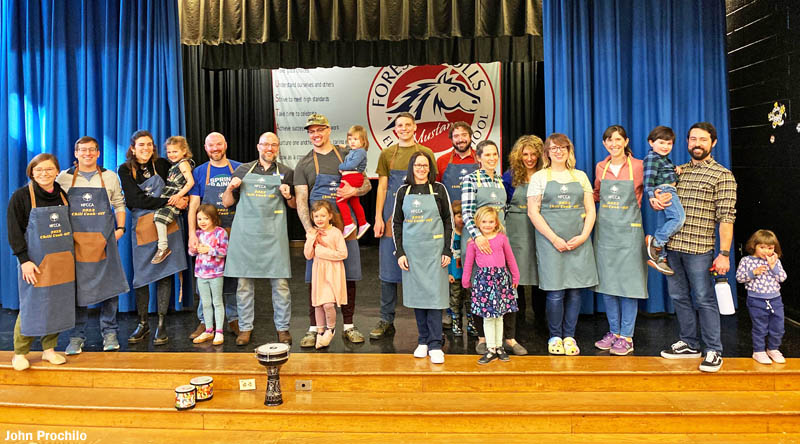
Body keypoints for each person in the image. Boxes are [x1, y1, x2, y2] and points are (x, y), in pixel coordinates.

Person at [659, 122, 737, 373]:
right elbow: (665, 202)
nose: (697, 144)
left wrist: (724, 254)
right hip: (673, 247)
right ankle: (690, 343)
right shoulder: (677, 172)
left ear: (713, 143)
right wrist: (658, 201)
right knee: (679, 297)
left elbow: (726, 218)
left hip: (700, 250)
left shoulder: (722, 176)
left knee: (704, 299)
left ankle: (714, 349)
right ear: (687, 142)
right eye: (693, 139)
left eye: (703, 140)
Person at [295, 113, 372, 347]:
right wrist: (309, 230)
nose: (316, 134)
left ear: (329, 130)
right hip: (319, 231)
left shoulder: (347, 155)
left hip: (346, 228)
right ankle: (314, 328)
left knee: (349, 277)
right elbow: (301, 200)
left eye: (320, 129)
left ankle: (348, 325)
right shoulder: (304, 164)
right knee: (315, 279)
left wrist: (354, 192)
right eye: (312, 131)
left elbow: (366, 184)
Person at [527, 133, 598, 356]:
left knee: (575, 292)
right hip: (551, 243)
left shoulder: (581, 176)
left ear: (569, 151)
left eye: (562, 148)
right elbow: (533, 212)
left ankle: (569, 336)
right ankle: (555, 336)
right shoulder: (539, 178)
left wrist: (584, 236)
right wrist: (554, 238)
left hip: (578, 241)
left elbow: (591, 210)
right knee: (555, 292)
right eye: (554, 148)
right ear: (547, 153)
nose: (558, 151)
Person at [222, 132, 296, 346]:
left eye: (273, 145)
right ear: (258, 147)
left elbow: (293, 205)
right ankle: (245, 329)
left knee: (281, 286)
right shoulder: (243, 170)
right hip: (246, 236)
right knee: (244, 286)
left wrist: (288, 195)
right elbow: (227, 203)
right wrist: (230, 188)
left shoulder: (286, 172)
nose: (269, 148)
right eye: (265, 144)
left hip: (274, 235)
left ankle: (282, 328)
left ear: (278, 147)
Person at [57, 136, 129, 354]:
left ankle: (110, 333)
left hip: (104, 242)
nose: (87, 154)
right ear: (76, 153)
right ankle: (76, 336)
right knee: (77, 290)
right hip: (75, 244)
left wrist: (120, 229)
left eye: (91, 150)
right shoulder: (63, 178)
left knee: (109, 288)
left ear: (98, 153)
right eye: (83, 150)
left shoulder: (110, 177)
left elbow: (119, 204)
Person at [371, 112, 437, 340]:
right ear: (395, 129)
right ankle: (386, 319)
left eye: (408, 125)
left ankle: (428, 322)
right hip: (392, 217)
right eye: (400, 125)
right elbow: (382, 188)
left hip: (420, 219)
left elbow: (432, 187)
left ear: (415, 127)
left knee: (422, 270)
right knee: (388, 271)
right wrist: (378, 217)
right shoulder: (387, 154)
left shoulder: (426, 153)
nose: (404, 128)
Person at [118, 130, 189, 346]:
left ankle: (161, 324)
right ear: (133, 148)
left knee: (165, 275)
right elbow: (135, 200)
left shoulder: (163, 164)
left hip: (167, 223)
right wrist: (170, 201)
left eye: (149, 144)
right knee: (141, 277)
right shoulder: (125, 169)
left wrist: (182, 199)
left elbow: (179, 185)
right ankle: (143, 323)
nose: (146, 148)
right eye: (141, 145)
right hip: (143, 225)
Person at [7, 154, 74, 370]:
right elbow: (14, 231)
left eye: (49, 169)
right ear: (32, 173)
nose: (44, 173)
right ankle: (20, 353)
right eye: (39, 170)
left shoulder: (62, 195)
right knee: (32, 304)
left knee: (57, 304)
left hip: (62, 260)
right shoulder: (21, 196)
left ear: (57, 171)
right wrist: (24, 260)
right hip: (34, 262)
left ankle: (49, 349)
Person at [591, 125, 648, 356]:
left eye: (617, 140)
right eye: (609, 140)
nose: (613, 144)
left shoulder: (639, 166)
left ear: (626, 141)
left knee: (629, 285)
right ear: (604, 143)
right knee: (608, 285)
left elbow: (656, 186)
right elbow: (596, 195)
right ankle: (614, 332)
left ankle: (627, 336)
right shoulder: (600, 167)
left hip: (630, 234)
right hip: (605, 234)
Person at [461, 139, 519, 355]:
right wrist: (477, 237)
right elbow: (467, 212)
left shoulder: (499, 180)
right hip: (478, 242)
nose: (492, 158)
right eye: (487, 154)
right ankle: (482, 338)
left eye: (495, 154)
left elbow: (504, 210)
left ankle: (507, 339)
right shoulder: (471, 180)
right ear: (478, 158)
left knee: (504, 290)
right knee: (480, 291)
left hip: (498, 240)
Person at [393, 152, 453, 364]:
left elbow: (448, 221)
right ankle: (423, 341)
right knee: (418, 298)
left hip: (435, 252)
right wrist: (400, 252)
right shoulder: (403, 191)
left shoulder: (439, 189)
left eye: (425, 165)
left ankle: (435, 344)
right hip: (412, 253)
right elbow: (396, 223)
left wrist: (447, 250)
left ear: (430, 168)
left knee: (435, 298)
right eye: (417, 165)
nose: (421, 168)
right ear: (412, 167)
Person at [187, 132, 241, 340]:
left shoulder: (239, 168)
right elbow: (194, 205)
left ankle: (234, 319)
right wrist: (192, 234)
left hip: (234, 232)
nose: (215, 148)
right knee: (205, 277)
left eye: (219, 144)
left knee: (234, 277)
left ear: (225, 145)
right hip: (206, 235)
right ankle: (205, 321)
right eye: (211, 145)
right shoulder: (200, 172)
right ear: (205, 148)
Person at [462, 206, 520, 364]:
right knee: (488, 317)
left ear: (496, 223)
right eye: (484, 222)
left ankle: (499, 346)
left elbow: (510, 259)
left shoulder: (502, 239)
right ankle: (491, 348)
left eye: (491, 222)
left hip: (501, 281)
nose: (487, 225)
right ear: (477, 223)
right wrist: (465, 280)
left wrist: (515, 276)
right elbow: (468, 264)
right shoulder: (473, 243)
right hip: (484, 282)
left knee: (499, 316)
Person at [502, 135, 545, 330]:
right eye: (525, 154)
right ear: (518, 156)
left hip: (540, 227)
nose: (529, 158)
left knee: (540, 272)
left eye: (533, 154)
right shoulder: (509, 176)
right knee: (516, 273)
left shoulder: (545, 174)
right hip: (516, 229)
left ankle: (540, 319)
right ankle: (516, 323)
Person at [736, 229, 786, 365]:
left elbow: (782, 278)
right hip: (756, 300)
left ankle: (773, 349)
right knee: (760, 327)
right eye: (762, 247)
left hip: (775, 299)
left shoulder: (775, 261)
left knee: (778, 327)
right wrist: (753, 272)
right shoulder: (746, 261)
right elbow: (739, 278)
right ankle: (758, 351)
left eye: (770, 248)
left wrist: (773, 266)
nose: (766, 251)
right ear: (754, 246)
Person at [304, 200, 348, 349]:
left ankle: (331, 329)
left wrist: (322, 252)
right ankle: (320, 332)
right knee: (318, 304)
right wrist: (311, 239)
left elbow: (343, 253)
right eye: (316, 216)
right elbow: (308, 255)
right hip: (319, 273)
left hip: (332, 272)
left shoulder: (335, 233)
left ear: (330, 216)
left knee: (328, 304)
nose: (319, 219)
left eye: (323, 215)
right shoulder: (312, 233)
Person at [643, 126, 685, 275]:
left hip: (667, 189)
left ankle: (660, 258)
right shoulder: (652, 158)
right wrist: (652, 197)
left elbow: (665, 170)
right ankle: (656, 242)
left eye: (669, 143)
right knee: (678, 218)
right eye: (661, 142)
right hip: (666, 190)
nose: (665, 146)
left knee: (664, 222)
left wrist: (675, 169)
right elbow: (648, 181)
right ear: (651, 142)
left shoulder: (663, 159)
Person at [189, 204, 229, 346]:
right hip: (201, 274)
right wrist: (194, 249)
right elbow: (191, 252)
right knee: (205, 303)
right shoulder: (197, 234)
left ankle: (219, 331)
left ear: (213, 218)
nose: (202, 222)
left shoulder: (220, 232)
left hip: (216, 273)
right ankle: (208, 329)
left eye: (206, 218)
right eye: (199, 219)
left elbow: (224, 252)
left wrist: (209, 250)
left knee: (217, 302)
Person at [151, 136, 195, 264]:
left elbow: (190, 182)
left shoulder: (183, 163)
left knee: (159, 217)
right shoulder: (174, 165)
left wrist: (178, 196)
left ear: (184, 151)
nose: (171, 155)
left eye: (175, 151)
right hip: (169, 195)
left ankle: (163, 247)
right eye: (169, 152)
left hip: (175, 197)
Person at [337, 125, 371, 239]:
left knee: (340, 200)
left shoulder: (360, 152)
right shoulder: (355, 150)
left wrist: (341, 167)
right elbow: (350, 150)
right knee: (354, 202)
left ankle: (348, 224)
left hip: (352, 177)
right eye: (350, 139)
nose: (352, 142)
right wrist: (344, 146)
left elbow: (352, 164)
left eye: (355, 139)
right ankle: (362, 223)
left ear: (363, 141)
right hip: (352, 177)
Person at [436, 121, 479, 202]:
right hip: (450, 209)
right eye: (456, 136)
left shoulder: (480, 158)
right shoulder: (441, 160)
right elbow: (436, 190)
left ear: (470, 137)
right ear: (451, 139)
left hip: (477, 208)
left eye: (464, 135)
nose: (460, 139)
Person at [447, 200, 468, 335]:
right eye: (459, 216)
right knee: (455, 299)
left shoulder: (468, 234)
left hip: (467, 274)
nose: (462, 219)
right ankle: (456, 322)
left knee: (469, 299)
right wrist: (448, 273)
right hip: (455, 274)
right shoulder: (450, 235)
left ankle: (471, 323)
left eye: (464, 216)